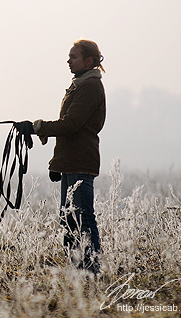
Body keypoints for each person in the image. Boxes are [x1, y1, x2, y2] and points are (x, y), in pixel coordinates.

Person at [20, 39, 106, 274]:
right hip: (72, 162)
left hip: (81, 163)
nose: (69, 61)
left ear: (88, 61)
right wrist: (57, 163)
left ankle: (91, 270)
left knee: (82, 218)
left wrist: (38, 128)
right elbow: (70, 131)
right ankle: (79, 268)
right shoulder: (80, 85)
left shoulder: (89, 87)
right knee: (70, 220)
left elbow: (71, 125)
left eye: (73, 57)